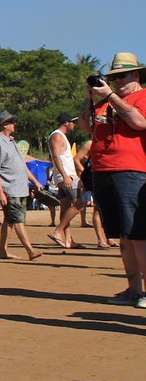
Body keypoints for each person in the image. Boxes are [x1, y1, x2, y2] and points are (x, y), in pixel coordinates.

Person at [81, 52, 146, 307]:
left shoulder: (140, 96)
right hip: (104, 170)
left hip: (132, 170)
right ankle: (134, 289)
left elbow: (139, 122)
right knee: (123, 234)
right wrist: (89, 96)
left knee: (139, 233)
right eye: (113, 77)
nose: (117, 81)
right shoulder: (104, 102)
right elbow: (87, 127)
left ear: (136, 75)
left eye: (122, 76)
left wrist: (110, 95)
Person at [0, 110, 45, 261]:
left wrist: (34, 181)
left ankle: (3, 251)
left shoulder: (12, 141)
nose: (14, 124)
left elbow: (22, 165)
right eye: (11, 122)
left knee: (9, 221)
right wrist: (0, 192)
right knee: (18, 220)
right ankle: (30, 250)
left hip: (20, 188)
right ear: (4, 125)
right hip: (10, 189)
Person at [46, 113, 85, 249]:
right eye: (72, 122)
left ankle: (68, 240)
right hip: (66, 176)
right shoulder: (57, 136)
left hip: (65, 176)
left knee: (66, 206)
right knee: (79, 204)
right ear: (66, 123)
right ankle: (58, 231)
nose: (74, 125)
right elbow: (56, 157)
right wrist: (65, 175)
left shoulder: (61, 136)